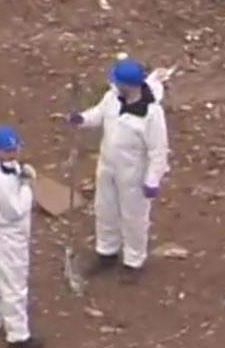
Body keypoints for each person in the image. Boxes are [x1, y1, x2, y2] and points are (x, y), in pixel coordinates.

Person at [69, 57, 170, 283]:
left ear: (129, 85)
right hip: (107, 167)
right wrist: (81, 119)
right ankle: (106, 251)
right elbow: (98, 114)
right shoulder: (112, 98)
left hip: (133, 174)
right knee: (105, 210)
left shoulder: (151, 115)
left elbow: (158, 151)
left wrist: (153, 179)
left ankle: (134, 261)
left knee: (133, 217)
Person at [0, 125, 42, 348]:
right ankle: (18, 336)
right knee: (15, 283)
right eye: (9, 151)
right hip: (8, 234)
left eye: (15, 149)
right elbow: (15, 211)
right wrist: (27, 187)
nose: (13, 154)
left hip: (0, 233)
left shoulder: (0, 166)